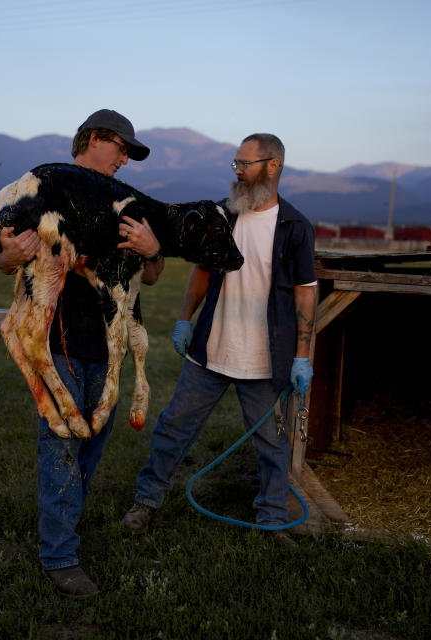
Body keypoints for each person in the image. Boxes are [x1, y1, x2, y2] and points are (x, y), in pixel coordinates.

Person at [0, 109, 163, 598]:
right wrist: (11, 255)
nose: (125, 160)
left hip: (109, 349)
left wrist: (152, 249)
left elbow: (153, 274)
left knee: (92, 444)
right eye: (121, 149)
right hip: (57, 341)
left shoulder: (127, 205)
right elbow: (3, 258)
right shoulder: (43, 191)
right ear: (92, 139)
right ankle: (60, 555)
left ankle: (61, 522)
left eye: (130, 153)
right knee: (62, 445)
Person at [121, 133, 317, 545]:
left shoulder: (296, 228)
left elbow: (305, 291)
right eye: (236, 164)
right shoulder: (222, 215)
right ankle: (147, 501)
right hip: (209, 350)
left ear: (274, 166)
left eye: (245, 164)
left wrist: (301, 354)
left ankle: (270, 519)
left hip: (265, 359)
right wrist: (184, 319)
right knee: (174, 427)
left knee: (271, 444)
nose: (238, 171)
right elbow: (202, 272)